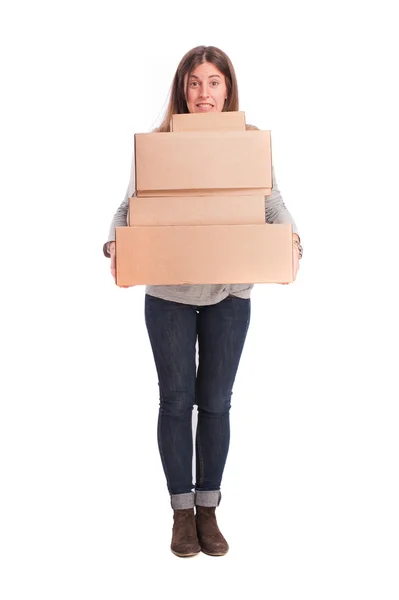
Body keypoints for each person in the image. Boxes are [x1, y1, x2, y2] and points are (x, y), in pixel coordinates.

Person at [103, 45, 303, 558]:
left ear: (228, 89)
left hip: (229, 290)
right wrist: (115, 243)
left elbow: (270, 198)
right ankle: (181, 513)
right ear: (182, 89)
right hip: (168, 291)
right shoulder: (160, 142)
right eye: (194, 82)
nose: (203, 92)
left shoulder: (249, 143)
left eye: (213, 82)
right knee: (175, 402)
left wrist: (290, 242)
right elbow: (131, 204)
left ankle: (209, 509)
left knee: (215, 403)